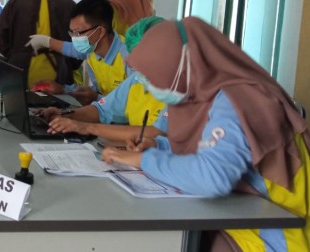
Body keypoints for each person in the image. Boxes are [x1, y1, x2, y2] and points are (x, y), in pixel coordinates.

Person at [102, 17, 310, 251]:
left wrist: (144, 160)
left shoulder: (238, 100)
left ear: (179, 66)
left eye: (152, 78)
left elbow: (212, 177)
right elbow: (210, 147)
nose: (148, 86)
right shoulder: (203, 93)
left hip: (275, 234)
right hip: (236, 218)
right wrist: (158, 146)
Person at [43, 16, 166, 142]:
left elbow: (158, 132)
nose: (135, 65)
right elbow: (101, 110)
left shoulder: (182, 90)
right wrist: (64, 114)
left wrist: (88, 128)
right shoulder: (136, 81)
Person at [28, 0, 132, 105]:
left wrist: (96, 98)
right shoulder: (92, 51)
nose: (75, 38)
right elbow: (100, 92)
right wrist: (63, 89)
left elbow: (132, 107)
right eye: (72, 33)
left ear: (100, 31)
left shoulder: (130, 58)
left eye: (78, 33)